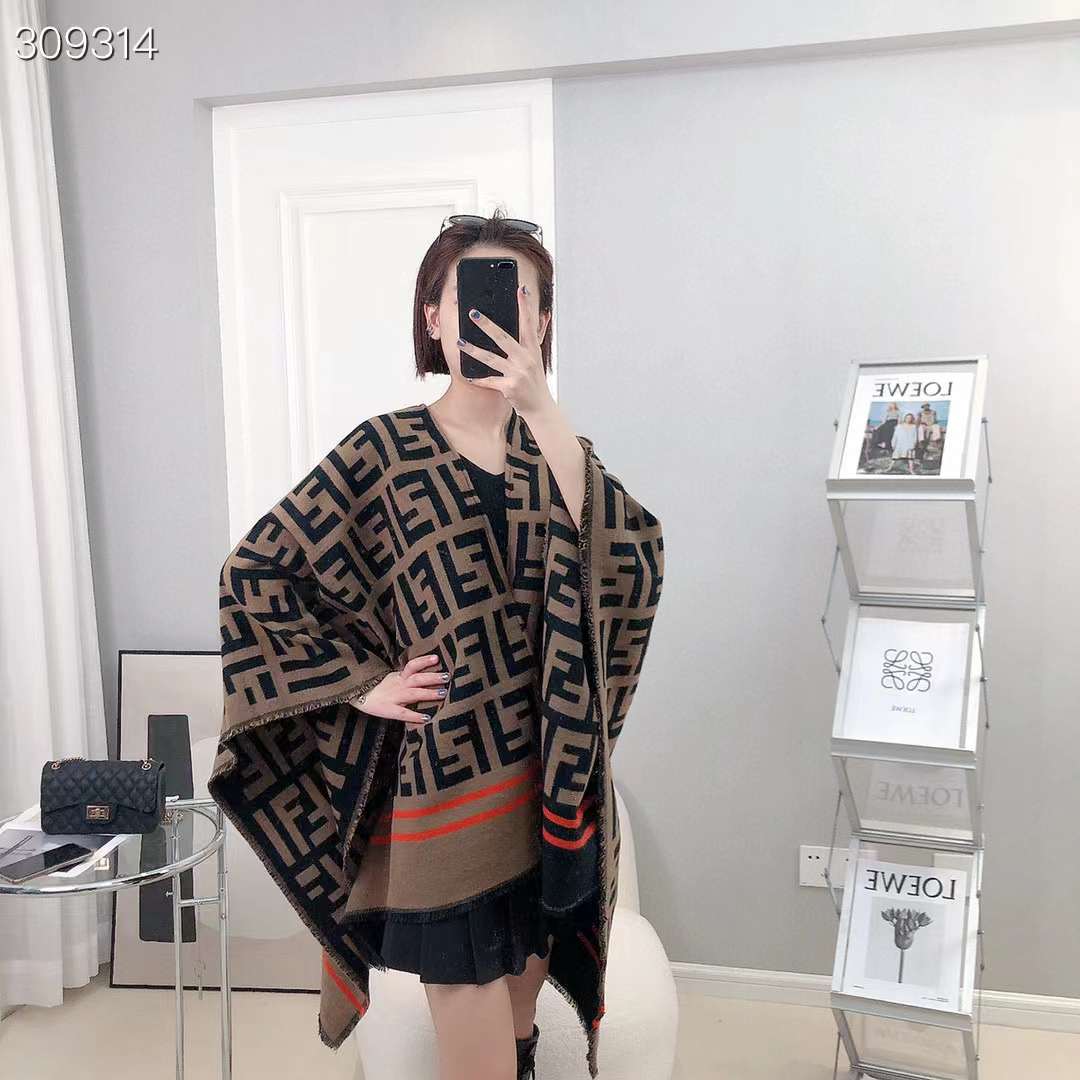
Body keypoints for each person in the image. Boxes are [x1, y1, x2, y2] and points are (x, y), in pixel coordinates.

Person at [210, 210, 665, 1080]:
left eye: (518, 299)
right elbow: (257, 573)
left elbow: (626, 558)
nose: (493, 315)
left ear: (542, 320)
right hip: (445, 792)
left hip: (550, 785)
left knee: (519, 1024)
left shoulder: (557, 451)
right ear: (433, 316)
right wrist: (362, 683)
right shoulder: (383, 453)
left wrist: (540, 405)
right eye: (469, 297)